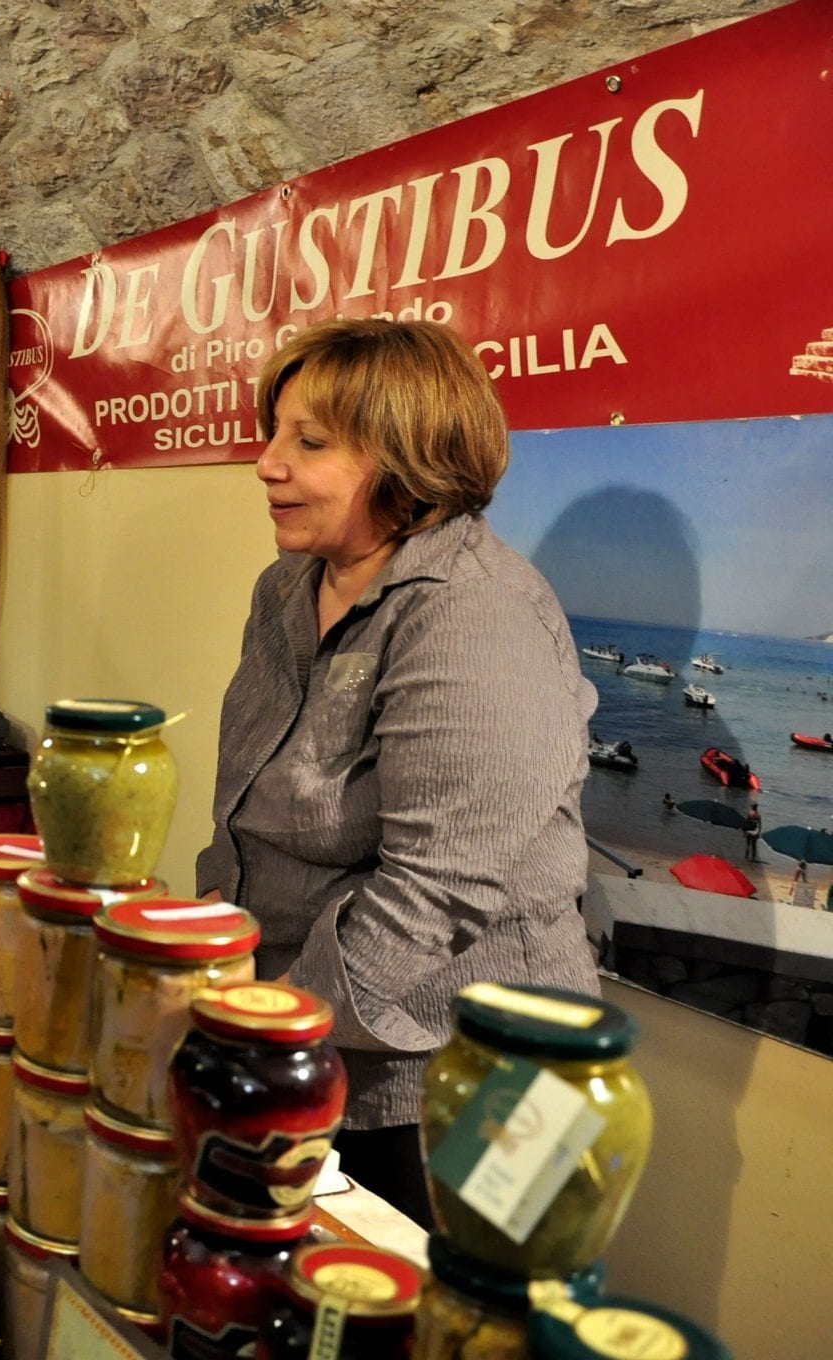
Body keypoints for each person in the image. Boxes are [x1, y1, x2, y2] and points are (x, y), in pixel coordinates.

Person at [196, 318, 598, 1229]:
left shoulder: (476, 614)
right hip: (314, 1047)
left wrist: (265, 1025)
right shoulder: (288, 587)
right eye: (274, 433)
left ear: (412, 460)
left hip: (473, 1079)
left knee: (457, 1323)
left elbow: (437, 888)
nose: (266, 463)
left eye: (310, 442)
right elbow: (254, 818)